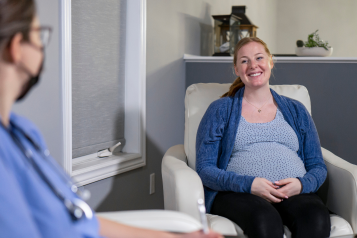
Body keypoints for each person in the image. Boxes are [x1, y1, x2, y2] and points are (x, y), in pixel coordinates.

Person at [0, 0, 222, 238]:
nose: (43, 47)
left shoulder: (23, 133)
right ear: (16, 47)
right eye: (38, 35)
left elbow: (81, 220)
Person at [196, 37, 331, 238]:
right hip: (240, 194)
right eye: (244, 60)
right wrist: (249, 184)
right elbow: (205, 169)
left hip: (293, 193)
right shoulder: (220, 109)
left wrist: (302, 185)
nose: (253, 65)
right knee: (264, 220)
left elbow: (317, 165)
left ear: (270, 62)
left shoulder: (296, 109)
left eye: (259, 58)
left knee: (316, 219)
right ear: (236, 69)